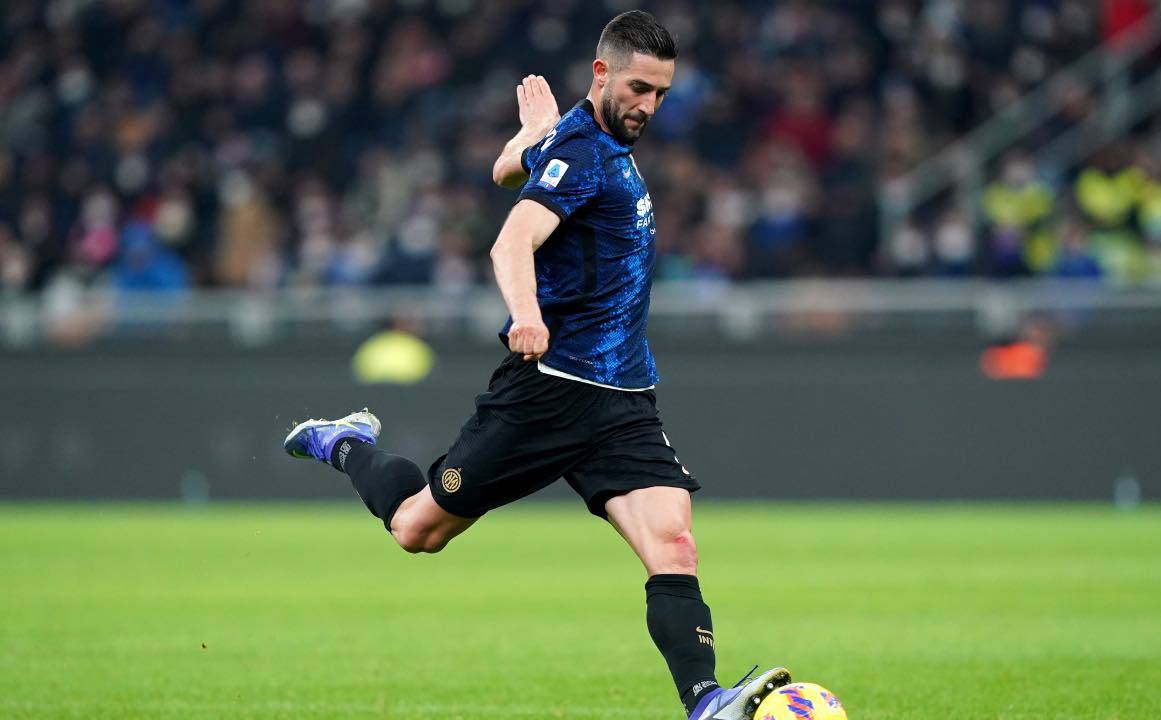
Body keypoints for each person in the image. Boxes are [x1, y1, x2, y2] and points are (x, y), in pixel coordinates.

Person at [282, 11, 789, 720]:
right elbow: (511, 242)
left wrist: (526, 143)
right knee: (416, 530)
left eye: (662, 94)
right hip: (547, 392)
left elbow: (501, 172)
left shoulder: (587, 140)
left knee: (673, 542)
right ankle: (349, 444)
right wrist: (526, 313)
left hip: (623, 399)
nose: (649, 106)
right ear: (602, 73)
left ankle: (706, 702)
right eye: (639, 87)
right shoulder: (584, 151)